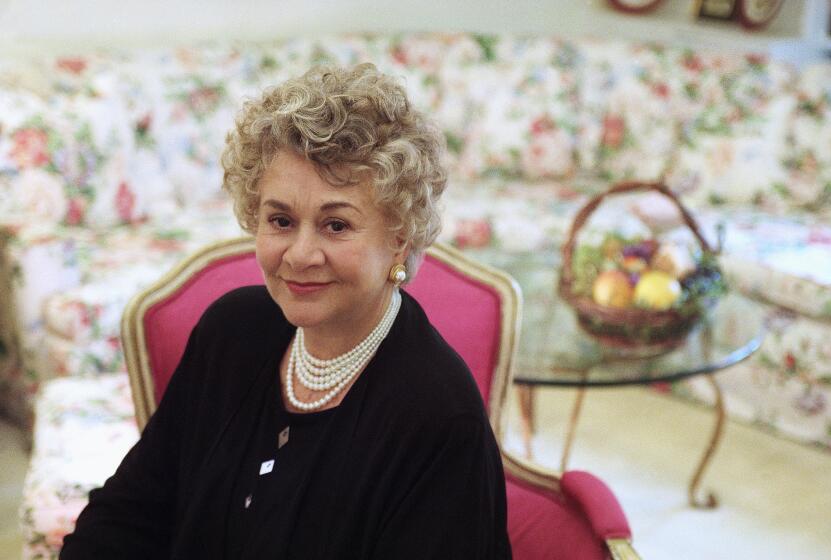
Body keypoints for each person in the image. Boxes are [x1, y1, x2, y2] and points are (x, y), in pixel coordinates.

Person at [60, 63, 512, 559]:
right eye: (280, 219)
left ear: (400, 239)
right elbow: (129, 513)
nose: (299, 255)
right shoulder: (230, 332)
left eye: (336, 225)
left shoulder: (439, 419)